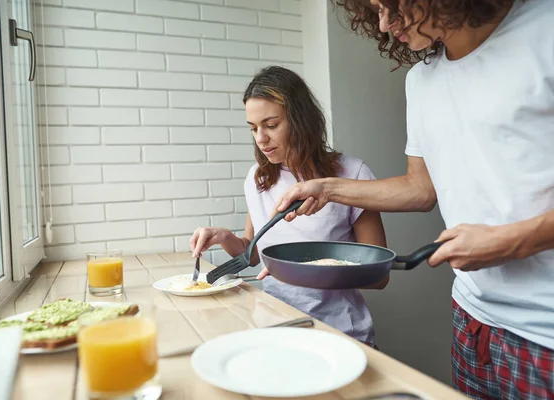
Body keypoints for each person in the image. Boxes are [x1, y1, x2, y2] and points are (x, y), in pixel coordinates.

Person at [273, 0, 554, 398]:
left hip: (547, 332)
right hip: (473, 319)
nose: (385, 24)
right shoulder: (422, 80)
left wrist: (511, 240)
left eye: (392, 5)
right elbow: (419, 188)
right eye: (375, 10)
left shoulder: (546, 29)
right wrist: (327, 188)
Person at [189, 66, 388, 346]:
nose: (261, 138)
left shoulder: (352, 174)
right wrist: (225, 238)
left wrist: (301, 267)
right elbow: (254, 251)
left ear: (300, 120)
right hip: (275, 327)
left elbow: (379, 276)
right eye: (254, 128)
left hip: (340, 334)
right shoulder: (258, 178)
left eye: (271, 125)